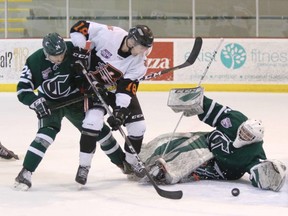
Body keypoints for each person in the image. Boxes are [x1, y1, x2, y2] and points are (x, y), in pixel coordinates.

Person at [14, 32, 127, 190]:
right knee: (45, 135)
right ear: (46, 53)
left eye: (61, 54)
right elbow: (22, 90)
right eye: (55, 56)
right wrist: (35, 101)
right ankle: (25, 172)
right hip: (50, 103)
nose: (59, 59)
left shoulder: (73, 50)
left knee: (100, 131)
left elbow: (94, 70)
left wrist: (93, 84)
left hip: (76, 101)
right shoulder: (35, 61)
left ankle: (123, 163)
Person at [137, 90, 286, 192]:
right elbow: (214, 110)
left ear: (255, 140)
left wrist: (268, 175)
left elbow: (259, 171)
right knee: (170, 141)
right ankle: (140, 159)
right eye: (243, 131)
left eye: (248, 136)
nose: (243, 135)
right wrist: (197, 100)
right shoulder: (235, 119)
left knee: (192, 157)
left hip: (221, 169)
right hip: (207, 141)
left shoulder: (254, 152)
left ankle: (166, 172)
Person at [69, 20, 154, 181]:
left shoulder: (139, 61)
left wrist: (120, 111)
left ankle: (131, 162)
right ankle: (84, 166)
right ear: (132, 41)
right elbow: (79, 27)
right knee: (92, 123)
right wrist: (78, 49)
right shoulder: (110, 34)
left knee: (138, 127)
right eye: (142, 47)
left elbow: (127, 87)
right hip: (93, 87)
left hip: (116, 90)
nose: (144, 51)